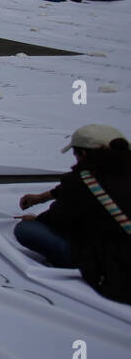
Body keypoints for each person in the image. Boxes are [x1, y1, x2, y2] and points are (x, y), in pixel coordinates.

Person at [14, 125, 131, 302]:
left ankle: (74, 263)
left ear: (83, 154)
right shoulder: (118, 170)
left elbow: (57, 219)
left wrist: (37, 219)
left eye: (75, 154)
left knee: (27, 230)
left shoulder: (80, 182)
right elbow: (83, 187)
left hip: (115, 265)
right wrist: (41, 197)